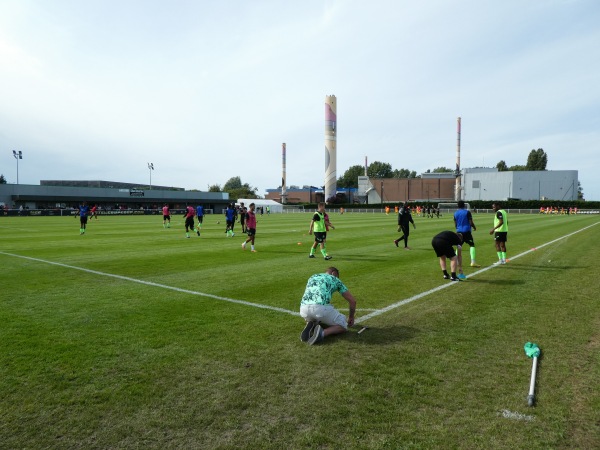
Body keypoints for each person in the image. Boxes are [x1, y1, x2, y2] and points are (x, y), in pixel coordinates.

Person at [299, 267, 357, 345]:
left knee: (315, 316)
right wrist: (351, 317)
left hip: (303, 309)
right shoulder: (335, 279)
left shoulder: (313, 276)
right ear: (333, 273)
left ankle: (311, 323)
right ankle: (322, 333)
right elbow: (352, 301)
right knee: (343, 325)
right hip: (320, 309)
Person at [453, 200, 480, 276]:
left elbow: (455, 223)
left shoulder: (455, 213)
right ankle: (473, 262)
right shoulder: (467, 212)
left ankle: (456, 262)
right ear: (464, 205)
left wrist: (458, 229)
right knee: (472, 245)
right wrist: (474, 227)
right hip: (466, 231)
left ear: (457, 206)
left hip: (459, 231)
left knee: (459, 246)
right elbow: (471, 222)